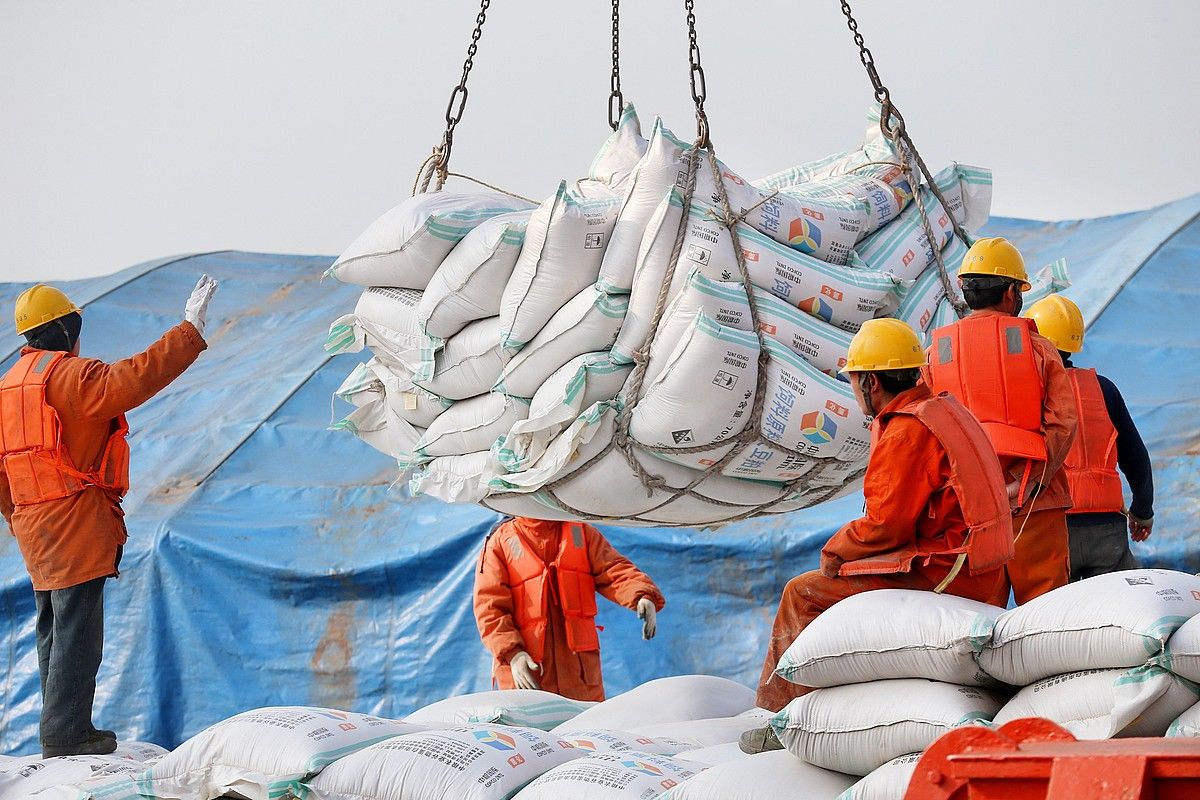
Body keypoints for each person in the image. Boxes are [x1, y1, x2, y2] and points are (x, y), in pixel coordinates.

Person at [742, 319, 1014, 751]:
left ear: (870, 381)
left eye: (853, 380)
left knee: (803, 593)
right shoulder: (946, 410)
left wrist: (836, 551)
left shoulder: (908, 429)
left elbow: (887, 525)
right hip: (982, 571)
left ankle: (782, 719)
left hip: (946, 572)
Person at [0, 275, 218, 757]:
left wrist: (19, 519)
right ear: (63, 330)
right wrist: (187, 332)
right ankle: (67, 735)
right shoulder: (71, 379)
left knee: (54, 628)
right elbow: (132, 379)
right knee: (78, 631)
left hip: (34, 528)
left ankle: (58, 726)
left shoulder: (8, 388)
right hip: (74, 522)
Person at [924, 237, 1077, 604]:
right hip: (1035, 506)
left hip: (967, 512)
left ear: (964, 289)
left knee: (973, 619)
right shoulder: (1039, 348)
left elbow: (926, 431)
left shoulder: (935, 354)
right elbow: (1063, 422)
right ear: (1011, 293)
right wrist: (1032, 481)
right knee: (1048, 619)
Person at [1025, 295, 1154, 579]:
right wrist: (1143, 511)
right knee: (1116, 608)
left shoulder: (1026, 393)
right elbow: (1136, 458)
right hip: (1106, 528)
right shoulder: (1103, 389)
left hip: (1053, 525)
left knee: (1062, 616)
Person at [473, 516, 665, 702]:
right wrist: (513, 655)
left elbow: (613, 569)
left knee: (584, 732)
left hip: (580, 681)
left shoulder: (580, 533)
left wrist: (641, 595)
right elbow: (490, 607)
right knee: (530, 734)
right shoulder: (501, 542)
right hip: (528, 677)